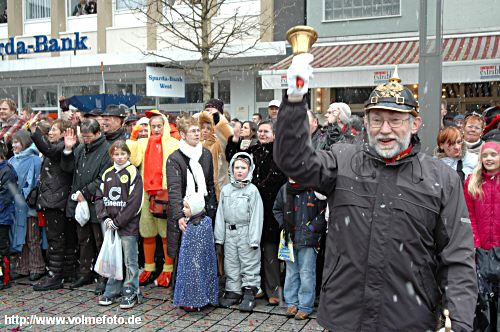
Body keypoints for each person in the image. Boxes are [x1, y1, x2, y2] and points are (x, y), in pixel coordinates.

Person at [274, 58, 478, 331]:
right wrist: (295, 99)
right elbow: (293, 160)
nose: (385, 129)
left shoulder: (442, 180)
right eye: (377, 120)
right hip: (345, 316)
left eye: (395, 120)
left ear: (415, 124)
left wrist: (459, 322)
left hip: (408, 319)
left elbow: (458, 259)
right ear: (366, 122)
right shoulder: (343, 160)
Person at [227, 120, 287, 305]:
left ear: (275, 134)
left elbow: (276, 178)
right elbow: (236, 162)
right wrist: (235, 140)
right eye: (260, 131)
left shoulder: (280, 153)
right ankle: (255, 286)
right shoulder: (253, 151)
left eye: (266, 131)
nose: (262, 134)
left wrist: (255, 188)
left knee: (270, 250)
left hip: (270, 207)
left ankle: (273, 290)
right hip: (250, 207)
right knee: (252, 249)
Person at [166, 116, 218, 312]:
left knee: (202, 255)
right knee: (184, 257)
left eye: (199, 130)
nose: (198, 134)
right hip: (184, 214)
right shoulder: (175, 158)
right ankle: (184, 296)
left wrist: (210, 209)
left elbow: (210, 184)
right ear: (183, 135)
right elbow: (174, 189)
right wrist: (180, 214)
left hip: (202, 213)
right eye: (193, 131)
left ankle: (204, 294)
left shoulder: (205, 154)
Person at [127, 110, 179, 287]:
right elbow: (134, 161)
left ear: (164, 126)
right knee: (147, 232)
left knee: (166, 234)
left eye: (159, 126)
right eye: (153, 126)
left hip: (165, 194)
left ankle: (168, 269)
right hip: (147, 194)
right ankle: (149, 267)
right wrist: (133, 139)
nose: (156, 129)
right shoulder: (142, 143)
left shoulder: (173, 143)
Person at [60, 119, 112, 294]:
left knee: (100, 241)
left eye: (88, 136)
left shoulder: (107, 149)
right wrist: (68, 149)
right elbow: (67, 169)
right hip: (81, 201)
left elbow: (105, 177)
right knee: (83, 240)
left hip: (97, 201)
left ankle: (103, 276)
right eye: (84, 137)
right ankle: (85, 272)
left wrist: (87, 191)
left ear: (97, 133)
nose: (86, 139)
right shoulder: (81, 148)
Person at [29, 119, 78, 291]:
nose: (50, 132)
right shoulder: (63, 148)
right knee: (66, 239)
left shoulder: (60, 148)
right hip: (58, 199)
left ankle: (54, 276)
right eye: (49, 130)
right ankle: (66, 272)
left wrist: (34, 131)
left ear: (65, 133)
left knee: (56, 240)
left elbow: (47, 149)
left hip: (56, 201)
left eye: (54, 130)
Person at [96, 140, 143, 309]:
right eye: (116, 154)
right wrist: (105, 218)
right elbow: (99, 197)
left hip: (127, 226)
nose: (120, 157)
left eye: (123, 154)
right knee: (113, 259)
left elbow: (135, 203)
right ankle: (113, 289)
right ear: (111, 156)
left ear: (128, 155)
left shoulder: (133, 173)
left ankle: (131, 290)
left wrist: (119, 221)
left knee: (130, 260)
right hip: (110, 225)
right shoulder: (107, 173)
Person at [215, 152, 264, 312]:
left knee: (249, 262)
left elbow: (257, 216)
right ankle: (233, 292)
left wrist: (254, 239)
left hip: (246, 231)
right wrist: (219, 238)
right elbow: (220, 214)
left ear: (249, 169)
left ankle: (249, 292)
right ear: (231, 169)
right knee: (231, 263)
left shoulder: (252, 191)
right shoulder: (226, 190)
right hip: (230, 232)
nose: (240, 171)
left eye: (243, 167)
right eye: (237, 167)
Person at [273, 178, 326, 320]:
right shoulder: (285, 189)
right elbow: (277, 209)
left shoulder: (314, 190)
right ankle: (292, 303)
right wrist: (283, 224)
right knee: (291, 272)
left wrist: (312, 228)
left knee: (307, 273)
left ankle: (305, 306)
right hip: (290, 239)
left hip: (309, 240)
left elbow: (323, 212)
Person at [464, 141, 499, 331]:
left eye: (493, 154)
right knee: (485, 300)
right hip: (482, 250)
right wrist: (475, 243)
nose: (489, 159)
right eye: (485, 155)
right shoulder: (472, 182)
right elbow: (469, 215)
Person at [8, 130, 44, 281]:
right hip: (15, 206)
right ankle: (22, 267)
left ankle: (37, 267)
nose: (14, 145)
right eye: (13, 142)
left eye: (17, 142)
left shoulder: (35, 160)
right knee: (18, 237)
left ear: (24, 142)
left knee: (32, 237)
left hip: (29, 206)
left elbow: (36, 182)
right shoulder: (12, 160)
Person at [198, 99, 233, 200]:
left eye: (211, 110)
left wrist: (218, 120)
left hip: (219, 188)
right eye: (206, 110)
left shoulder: (219, 141)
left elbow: (229, 137)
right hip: (202, 189)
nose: (209, 113)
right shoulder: (198, 142)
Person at [0, 141, 17, 290]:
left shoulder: (7, 170)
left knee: (2, 249)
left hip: (2, 216)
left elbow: (6, 196)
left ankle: (4, 278)